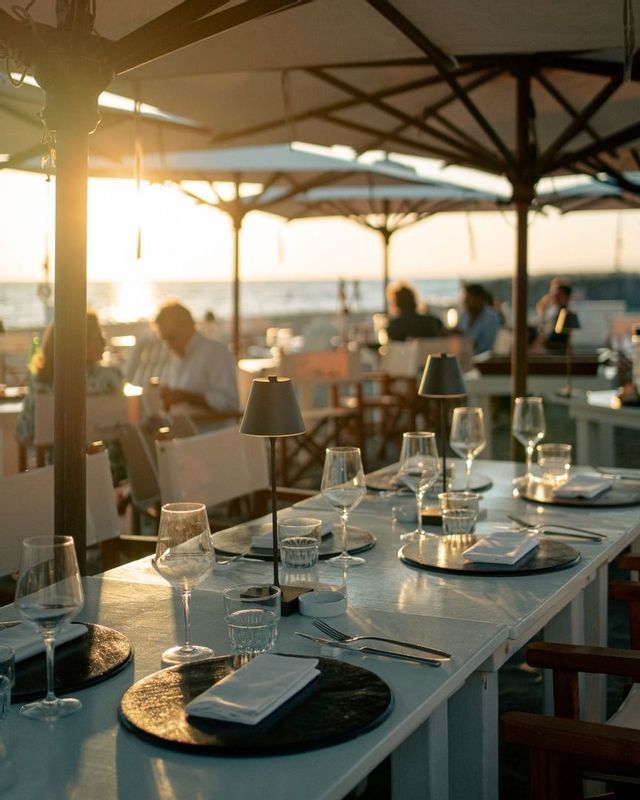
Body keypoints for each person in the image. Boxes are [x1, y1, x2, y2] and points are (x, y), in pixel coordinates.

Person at [16, 311, 125, 476]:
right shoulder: (110, 377)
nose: (104, 341)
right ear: (79, 343)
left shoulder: (42, 383)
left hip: (58, 475)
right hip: (107, 472)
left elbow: (24, 434)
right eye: (98, 336)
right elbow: (125, 424)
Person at [154, 300, 239, 423]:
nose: (169, 345)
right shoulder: (177, 357)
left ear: (188, 326)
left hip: (211, 436)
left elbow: (230, 404)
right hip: (184, 434)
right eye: (165, 340)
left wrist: (187, 397)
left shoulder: (215, 353)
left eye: (171, 337)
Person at [458, 283, 501, 354]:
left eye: (468, 299)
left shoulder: (491, 317)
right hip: (465, 357)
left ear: (479, 299)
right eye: (465, 299)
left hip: (483, 360)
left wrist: (465, 339)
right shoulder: (465, 316)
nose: (465, 302)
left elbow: (487, 346)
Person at [535, 282, 573, 352]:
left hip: (556, 353)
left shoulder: (564, 314)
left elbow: (557, 338)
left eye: (559, 295)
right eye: (554, 295)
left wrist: (539, 341)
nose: (555, 298)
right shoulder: (553, 313)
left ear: (567, 297)